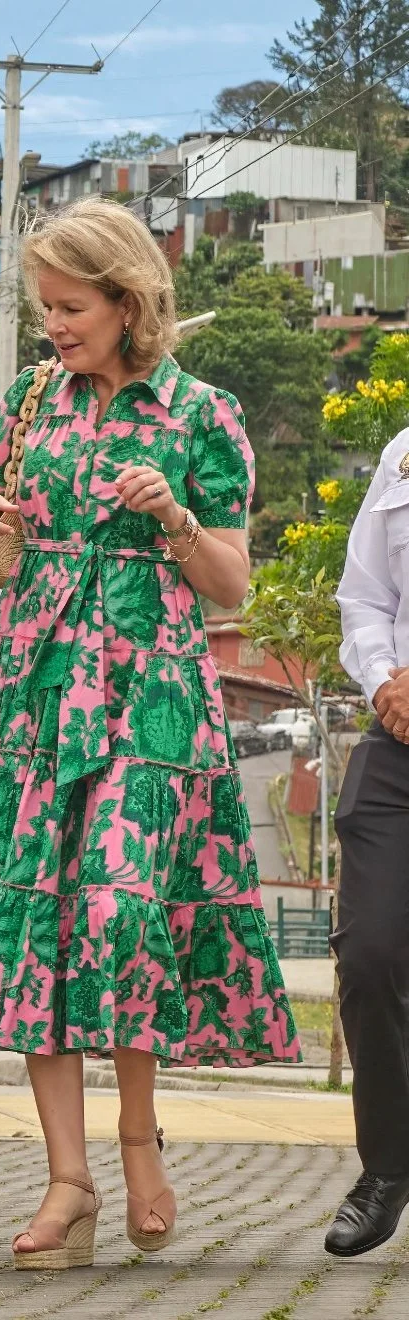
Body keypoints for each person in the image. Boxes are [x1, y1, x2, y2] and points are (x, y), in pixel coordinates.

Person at [0, 198, 301, 1270]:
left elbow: (230, 586)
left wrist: (172, 515)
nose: (53, 330)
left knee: (123, 912)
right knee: (38, 921)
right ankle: (66, 1182)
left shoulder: (200, 414)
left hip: (152, 693)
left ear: (130, 302)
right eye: (44, 311)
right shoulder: (30, 403)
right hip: (32, 686)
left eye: (69, 308)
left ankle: (139, 1143)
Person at [327, 434, 409, 1257]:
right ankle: (387, 1166)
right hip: (397, 743)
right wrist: (384, 679)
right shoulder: (402, 454)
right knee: (372, 954)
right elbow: (365, 594)